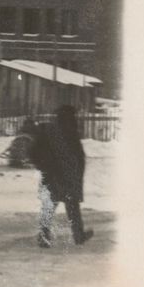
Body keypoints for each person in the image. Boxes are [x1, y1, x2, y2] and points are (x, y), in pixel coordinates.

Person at [30, 104, 93, 247]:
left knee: (49, 207)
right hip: (65, 177)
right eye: (72, 116)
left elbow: (33, 152)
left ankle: (44, 237)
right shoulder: (67, 132)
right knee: (71, 207)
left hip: (55, 176)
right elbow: (76, 156)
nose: (74, 119)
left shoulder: (52, 131)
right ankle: (78, 236)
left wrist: (43, 167)